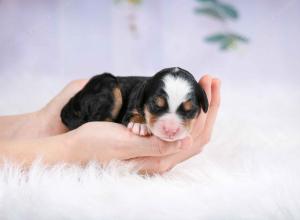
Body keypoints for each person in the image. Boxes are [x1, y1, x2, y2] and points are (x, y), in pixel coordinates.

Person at [0, 75, 221, 174]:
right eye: (157, 106)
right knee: (109, 94)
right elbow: (130, 112)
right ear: (144, 98)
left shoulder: (152, 94)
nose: (172, 126)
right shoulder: (139, 96)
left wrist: (42, 123)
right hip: (105, 86)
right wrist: (71, 149)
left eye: (187, 111)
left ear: (200, 105)